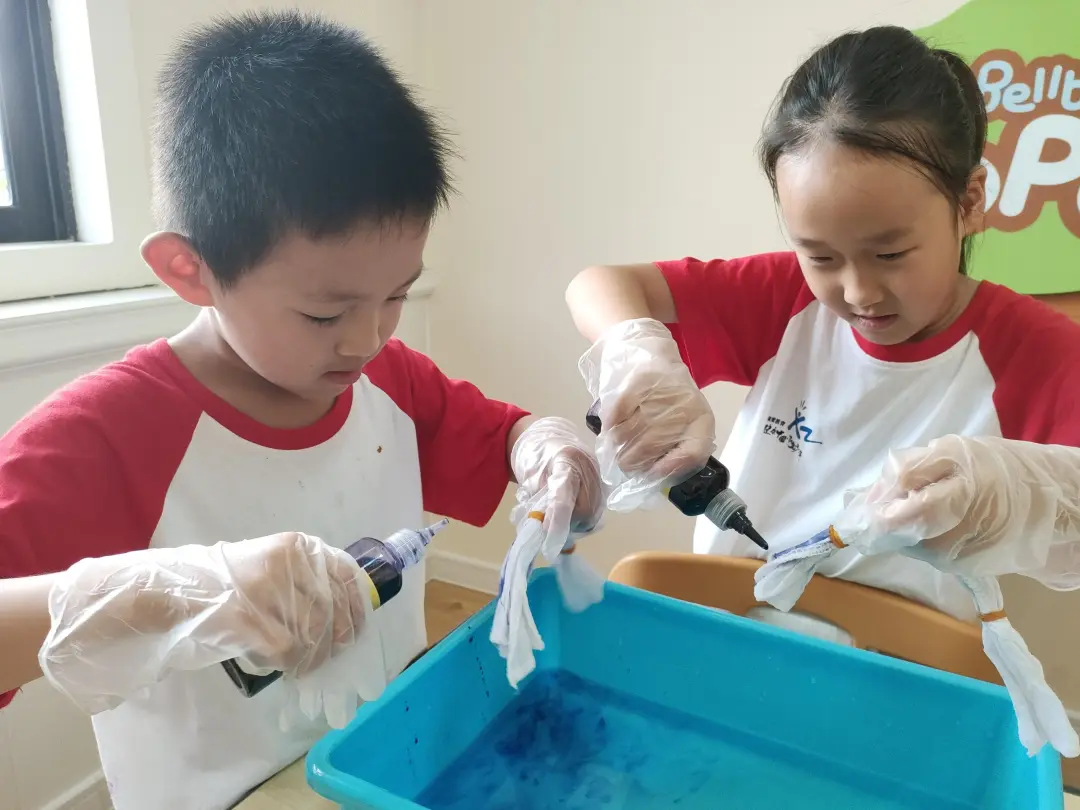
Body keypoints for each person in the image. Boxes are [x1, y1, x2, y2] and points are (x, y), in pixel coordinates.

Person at [0, 12, 603, 810]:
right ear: (190, 270)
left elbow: (505, 438)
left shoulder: (390, 380)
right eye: (325, 313)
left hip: (391, 769)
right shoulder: (104, 439)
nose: (368, 339)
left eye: (397, 295)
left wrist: (546, 449)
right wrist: (165, 593)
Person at [566, 25, 1080, 621]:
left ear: (967, 203)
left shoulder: (1033, 352)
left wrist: (1020, 490)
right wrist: (635, 351)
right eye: (821, 257)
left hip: (903, 659)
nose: (858, 292)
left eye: (890, 254)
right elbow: (597, 285)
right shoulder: (786, 298)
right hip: (730, 622)